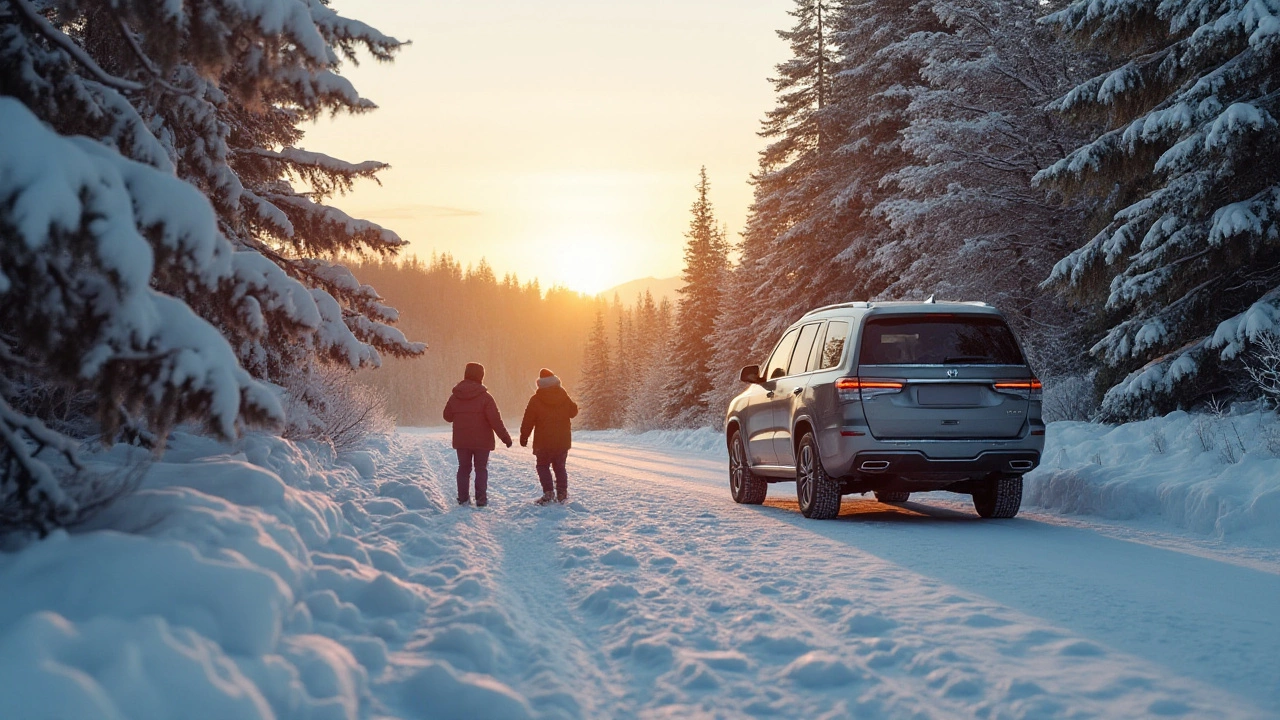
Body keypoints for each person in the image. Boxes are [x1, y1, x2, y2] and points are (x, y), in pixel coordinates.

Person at [443, 362, 512, 507]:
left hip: (462, 440)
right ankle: (481, 499)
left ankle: (463, 499)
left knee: (464, 468)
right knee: (481, 468)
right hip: (482, 442)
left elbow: (447, 416)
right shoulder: (486, 397)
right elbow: (495, 420)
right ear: (481, 376)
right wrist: (505, 438)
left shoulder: (455, 396)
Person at [519, 368, 579, 505]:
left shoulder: (535, 399)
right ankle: (562, 493)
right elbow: (573, 411)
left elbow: (528, 419)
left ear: (540, 383)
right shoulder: (563, 395)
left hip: (543, 441)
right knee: (560, 466)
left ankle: (548, 492)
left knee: (542, 466)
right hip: (562, 440)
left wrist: (524, 436)